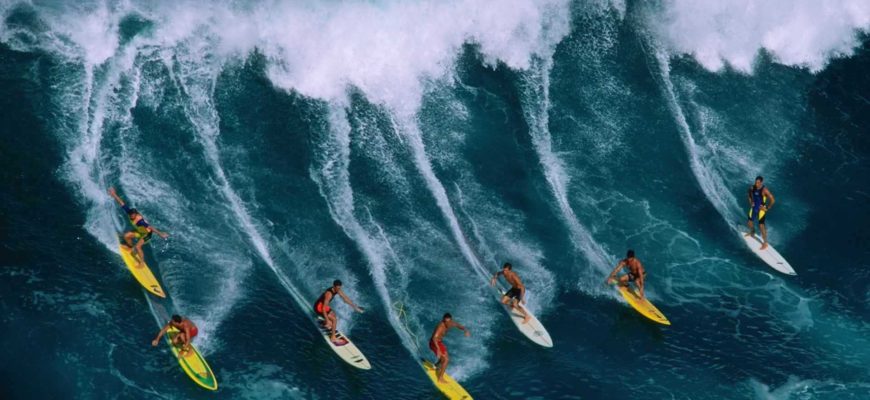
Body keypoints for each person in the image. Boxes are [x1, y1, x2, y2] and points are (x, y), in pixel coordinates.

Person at [108, 187, 169, 265]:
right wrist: (114, 194)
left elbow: (150, 227)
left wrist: (160, 234)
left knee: (138, 247)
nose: (132, 216)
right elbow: (121, 203)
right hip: (140, 231)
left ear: (136, 214)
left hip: (147, 234)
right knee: (126, 236)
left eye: (133, 215)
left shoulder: (140, 221)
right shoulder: (129, 212)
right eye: (131, 215)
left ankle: (142, 263)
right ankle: (130, 247)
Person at [313, 280, 364, 344]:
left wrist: (355, 307)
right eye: (337, 288)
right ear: (333, 286)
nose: (338, 290)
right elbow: (323, 308)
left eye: (339, 288)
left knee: (333, 314)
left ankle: (326, 324)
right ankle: (333, 338)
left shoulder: (338, 290)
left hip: (323, 306)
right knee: (334, 320)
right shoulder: (329, 294)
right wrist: (327, 320)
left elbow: (345, 299)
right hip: (319, 307)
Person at [429, 313, 470, 383]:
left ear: (451, 321)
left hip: (439, 343)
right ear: (443, 320)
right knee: (446, 360)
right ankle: (440, 378)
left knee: (445, 357)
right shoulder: (440, 327)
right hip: (434, 343)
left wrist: (466, 330)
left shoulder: (451, 323)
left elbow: (458, 325)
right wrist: (438, 349)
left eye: (448, 322)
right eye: (445, 321)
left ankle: (436, 366)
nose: (447, 323)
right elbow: (434, 338)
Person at [745, 176, 775, 250]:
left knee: (761, 226)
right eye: (756, 182)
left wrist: (767, 208)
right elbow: (749, 194)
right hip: (754, 207)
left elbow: (772, 200)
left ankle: (765, 243)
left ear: (761, 182)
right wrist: (751, 202)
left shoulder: (764, 190)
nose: (756, 184)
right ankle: (752, 231)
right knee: (749, 222)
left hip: (761, 209)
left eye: (758, 183)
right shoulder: (752, 188)